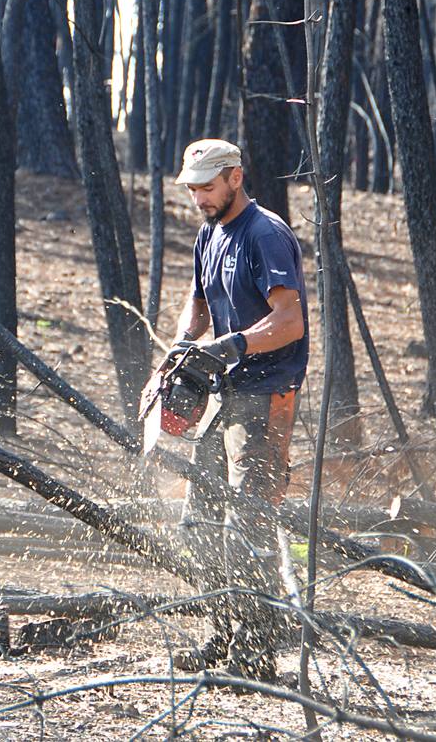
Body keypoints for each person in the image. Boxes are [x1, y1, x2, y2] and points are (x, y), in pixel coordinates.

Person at [165, 138, 308, 681]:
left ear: (235, 177)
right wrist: (183, 345)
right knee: (198, 521)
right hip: (223, 394)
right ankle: (223, 635)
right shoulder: (210, 233)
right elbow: (198, 303)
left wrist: (236, 345)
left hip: (268, 392)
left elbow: (289, 320)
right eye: (193, 188)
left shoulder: (265, 235)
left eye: (207, 186)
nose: (199, 197)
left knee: (246, 522)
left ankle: (257, 653)